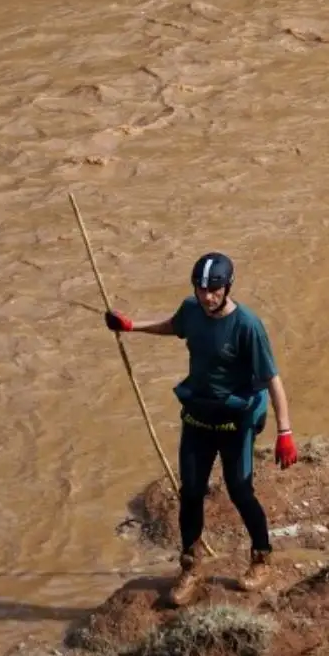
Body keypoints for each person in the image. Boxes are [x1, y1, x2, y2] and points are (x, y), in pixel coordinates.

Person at [104, 252, 297, 606]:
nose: (207, 296)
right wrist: (131, 327)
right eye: (201, 288)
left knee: (240, 491)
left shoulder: (247, 326)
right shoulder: (192, 310)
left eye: (214, 289)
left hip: (234, 422)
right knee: (190, 492)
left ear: (228, 287)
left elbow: (273, 379)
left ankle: (261, 557)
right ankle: (191, 567)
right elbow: (172, 326)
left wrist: (285, 432)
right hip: (197, 417)